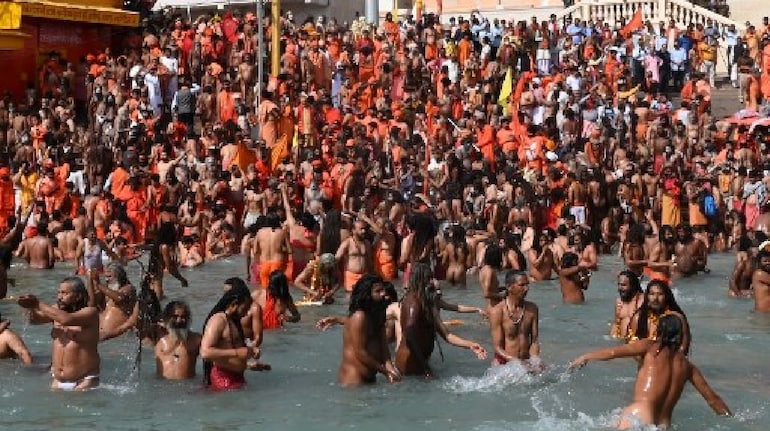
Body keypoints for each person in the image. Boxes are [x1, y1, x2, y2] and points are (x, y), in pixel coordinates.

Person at [570, 315, 731, 429]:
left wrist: (586, 356)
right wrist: (732, 419)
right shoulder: (688, 366)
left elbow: (614, 353)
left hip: (639, 415)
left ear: (658, 332)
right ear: (681, 337)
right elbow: (713, 399)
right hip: (662, 426)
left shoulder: (650, 347)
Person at [395, 263, 487, 377]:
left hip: (420, 362)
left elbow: (447, 335)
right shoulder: (413, 302)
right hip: (410, 364)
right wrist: (425, 367)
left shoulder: (428, 303)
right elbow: (409, 335)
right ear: (420, 280)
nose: (432, 281)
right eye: (429, 278)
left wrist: (470, 345)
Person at [18, 276, 100, 390]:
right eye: (59, 292)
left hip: (84, 381)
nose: (59, 297)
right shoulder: (57, 311)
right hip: (57, 380)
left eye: (64, 293)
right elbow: (34, 320)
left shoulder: (90, 313)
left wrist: (37, 304)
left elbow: (67, 320)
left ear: (78, 296)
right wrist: (29, 307)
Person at [338, 274, 401, 386]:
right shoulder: (359, 316)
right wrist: (385, 372)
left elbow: (384, 347)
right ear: (367, 295)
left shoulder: (378, 314)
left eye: (383, 290)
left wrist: (391, 368)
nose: (383, 294)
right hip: (354, 380)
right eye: (378, 291)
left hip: (372, 377)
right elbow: (360, 352)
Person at [200, 281, 256, 390]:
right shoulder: (218, 320)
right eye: (245, 308)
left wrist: (248, 362)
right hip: (223, 380)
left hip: (237, 378)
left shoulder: (234, 321)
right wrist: (238, 353)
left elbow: (229, 350)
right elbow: (205, 352)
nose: (246, 313)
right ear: (234, 304)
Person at [488, 271, 542, 371]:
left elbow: (534, 341)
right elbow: (498, 348)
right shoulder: (497, 311)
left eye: (527, 285)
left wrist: (535, 360)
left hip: (526, 361)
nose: (526, 289)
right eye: (521, 285)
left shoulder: (532, 309)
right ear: (509, 287)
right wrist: (518, 363)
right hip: (504, 363)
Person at [627, 279, 691, 355]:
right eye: (652, 294)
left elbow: (684, 347)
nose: (655, 298)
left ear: (666, 297)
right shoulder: (638, 317)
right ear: (647, 296)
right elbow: (631, 345)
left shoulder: (677, 318)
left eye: (660, 294)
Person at [155, 301, 201, 380]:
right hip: (162, 387)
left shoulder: (196, 339)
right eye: (175, 317)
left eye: (183, 317)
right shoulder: (158, 337)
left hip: (187, 388)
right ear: (167, 317)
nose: (179, 321)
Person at [97, 263, 138, 341]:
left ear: (119, 276)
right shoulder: (106, 290)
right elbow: (92, 304)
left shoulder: (129, 288)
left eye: (109, 276)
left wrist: (98, 284)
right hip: (104, 336)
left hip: (118, 336)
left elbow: (119, 298)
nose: (106, 279)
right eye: (105, 276)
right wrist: (91, 281)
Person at [336, 218, 372, 292]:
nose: (364, 231)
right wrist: (339, 276)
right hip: (351, 277)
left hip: (364, 277)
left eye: (364, 229)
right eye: (361, 229)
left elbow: (369, 262)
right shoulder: (347, 243)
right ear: (353, 230)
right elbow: (336, 259)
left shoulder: (367, 243)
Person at [611, 270, 644, 340]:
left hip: (636, 343)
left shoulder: (643, 301)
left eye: (623, 285)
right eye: (619, 284)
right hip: (621, 341)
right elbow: (616, 323)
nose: (620, 288)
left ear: (633, 286)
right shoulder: (619, 302)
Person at [751, 241, 770, 312]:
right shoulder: (759, 274)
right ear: (759, 261)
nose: (768, 263)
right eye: (765, 261)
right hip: (763, 316)